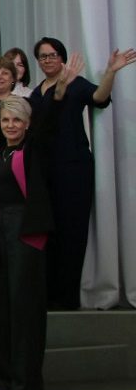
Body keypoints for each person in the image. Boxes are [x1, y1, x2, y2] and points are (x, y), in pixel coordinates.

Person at [0, 58, 80, 390]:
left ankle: (27, 383)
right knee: (4, 310)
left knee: (25, 310)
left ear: (26, 124)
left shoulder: (33, 150)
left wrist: (60, 91)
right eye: (6, 120)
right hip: (1, 236)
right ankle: (8, 378)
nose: (10, 125)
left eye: (17, 120)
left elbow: (49, 124)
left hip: (26, 235)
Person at [29, 38, 135, 309]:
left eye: (52, 55)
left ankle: (67, 299)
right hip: (44, 171)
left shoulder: (75, 83)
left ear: (62, 58)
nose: (47, 60)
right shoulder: (35, 94)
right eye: (42, 56)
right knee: (49, 233)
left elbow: (100, 98)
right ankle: (50, 296)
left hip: (73, 168)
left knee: (72, 231)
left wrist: (111, 71)